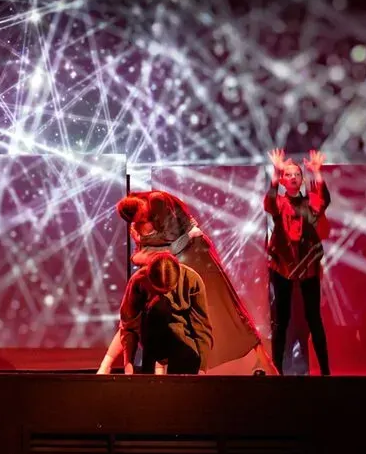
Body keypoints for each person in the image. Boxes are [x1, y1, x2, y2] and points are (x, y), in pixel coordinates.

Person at [98, 190, 274, 375]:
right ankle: (109, 367)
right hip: (166, 263)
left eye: (142, 215)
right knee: (148, 315)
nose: (143, 219)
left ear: (141, 204)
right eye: (138, 220)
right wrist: (146, 249)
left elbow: (173, 244)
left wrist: (153, 245)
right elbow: (140, 255)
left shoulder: (158, 202)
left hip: (191, 255)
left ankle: (266, 364)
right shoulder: (139, 230)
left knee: (219, 311)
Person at [264, 148, 331, 376]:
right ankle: (277, 371)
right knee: (281, 320)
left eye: (297, 174)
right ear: (283, 180)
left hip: (307, 265)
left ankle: (325, 372)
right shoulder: (280, 202)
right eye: (289, 174)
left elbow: (323, 202)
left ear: (302, 180)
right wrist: (275, 172)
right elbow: (269, 202)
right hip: (283, 265)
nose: (293, 177)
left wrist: (317, 172)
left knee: (314, 317)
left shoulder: (309, 201)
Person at [116, 252, 214, 375]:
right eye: (159, 291)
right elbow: (128, 324)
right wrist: (128, 363)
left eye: (169, 290)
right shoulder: (138, 281)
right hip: (153, 338)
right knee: (160, 305)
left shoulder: (192, 280)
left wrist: (202, 368)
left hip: (183, 340)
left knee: (188, 357)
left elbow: (202, 327)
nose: (165, 294)